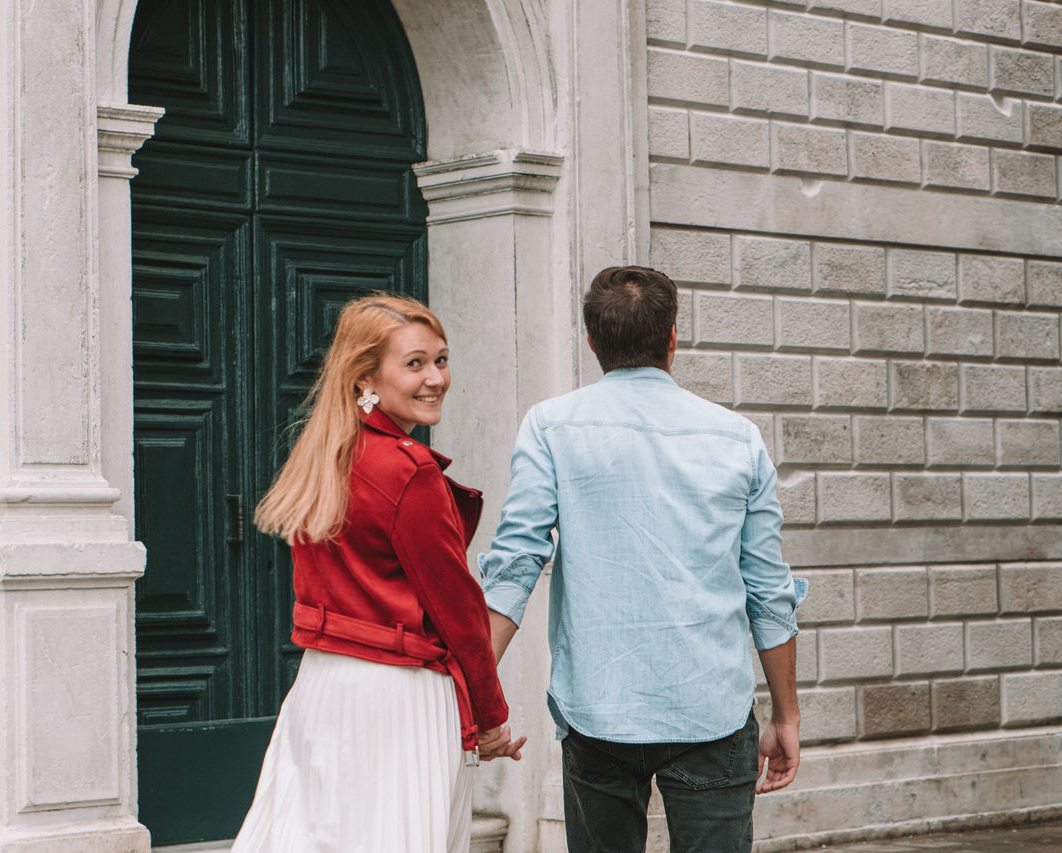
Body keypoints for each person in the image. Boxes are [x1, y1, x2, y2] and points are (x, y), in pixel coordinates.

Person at [478, 266, 807, 852]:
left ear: (592, 342)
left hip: (598, 707)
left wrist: (474, 692)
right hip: (712, 709)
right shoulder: (737, 438)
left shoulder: (550, 427)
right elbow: (768, 591)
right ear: (673, 337)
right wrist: (787, 717)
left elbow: (515, 564)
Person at [234, 293, 523, 853]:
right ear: (365, 375)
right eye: (414, 363)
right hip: (399, 694)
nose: (435, 378)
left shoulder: (324, 455)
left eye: (440, 359)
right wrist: (489, 718)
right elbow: (457, 609)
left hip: (324, 684)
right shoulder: (407, 470)